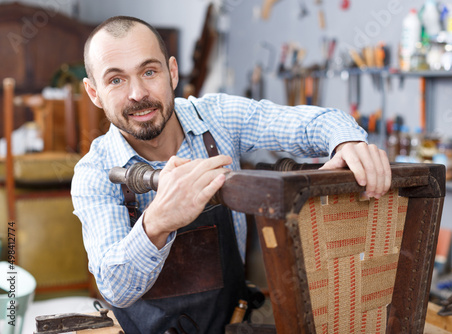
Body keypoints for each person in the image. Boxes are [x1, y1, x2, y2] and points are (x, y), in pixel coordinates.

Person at [71, 15, 391, 334]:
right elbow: (116, 288)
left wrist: (347, 140)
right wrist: (157, 222)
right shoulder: (94, 172)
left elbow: (310, 123)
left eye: (149, 71)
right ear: (94, 92)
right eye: (116, 80)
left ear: (171, 72)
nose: (138, 93)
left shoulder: (219, 117)